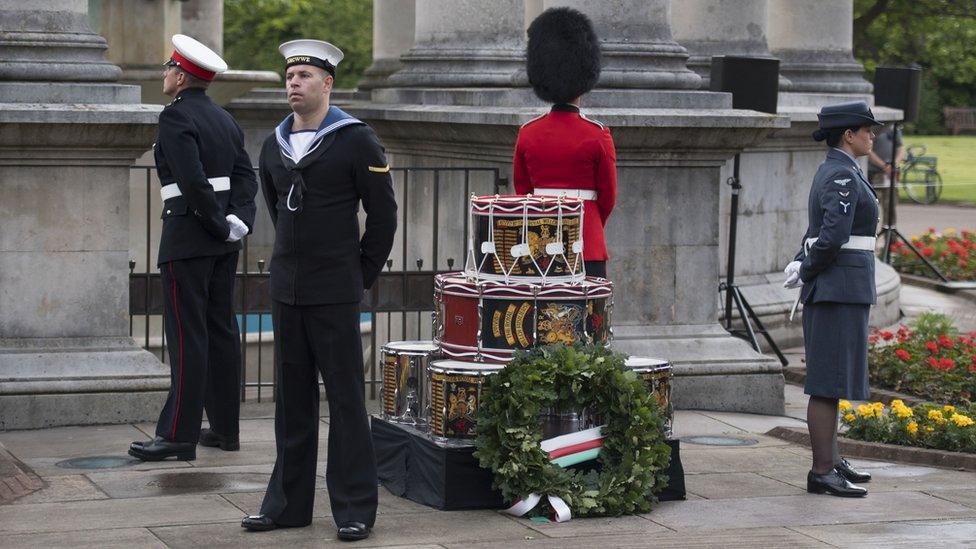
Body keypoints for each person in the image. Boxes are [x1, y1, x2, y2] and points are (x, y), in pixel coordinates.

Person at [240, 39, 397, 542]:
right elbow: (274, 202)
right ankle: (286, 505)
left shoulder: (355, 140)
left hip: (335, 290)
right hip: (288, 290)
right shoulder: (273, 145)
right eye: (290, 76)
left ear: (327, 84)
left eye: (305, 75)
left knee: (347, 401)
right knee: (291, 402)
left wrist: (359, 273)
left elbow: (383, 215)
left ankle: (354, 509)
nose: (294, 83)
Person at [129, 34, 257, 462]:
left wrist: (216, 224)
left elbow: (190, 179)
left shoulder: (175, 118)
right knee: (220, 331)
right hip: (223, 243)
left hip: (187, 238)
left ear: (181, 76)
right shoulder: (225, 119)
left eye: (168, 68)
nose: (164, 75)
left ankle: (178, 435)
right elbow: (245, 178)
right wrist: (237, 222)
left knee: (187, 338)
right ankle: (224, 429)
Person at [783, 100, 882, 497]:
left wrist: (800, 261)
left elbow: (819, 231)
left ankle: (831, 459)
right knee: (826, 382)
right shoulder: (841, 175)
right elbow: (832, 235)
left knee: (834, 378)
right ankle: (822, 469)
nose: (872, 136)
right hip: (837, 288)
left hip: (842, 287)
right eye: (867, 130)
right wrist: (806, 268)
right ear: (848, 135)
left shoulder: (842, 171)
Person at [512, 7, 617, 279]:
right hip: (587, 242)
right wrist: (590, 222)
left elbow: (523, 191)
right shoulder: (597, 135)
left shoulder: (528, 133)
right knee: (590, 320)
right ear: (584, 82)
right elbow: (607, 197)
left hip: (539, 244)